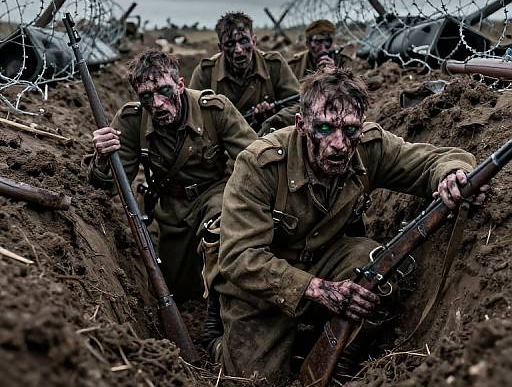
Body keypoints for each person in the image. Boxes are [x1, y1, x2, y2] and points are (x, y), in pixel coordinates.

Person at [214, 67, 487, 380]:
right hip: (264, 285)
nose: (340, 144)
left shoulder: (369, 147)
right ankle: (219, 341)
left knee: (378, 265)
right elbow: (238, 258)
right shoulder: (259, 165)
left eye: (350, 130)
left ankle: (341, 360)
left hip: (328, 263)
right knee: (254, 379)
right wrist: (317, 289)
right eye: (325, 128)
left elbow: (433, 160)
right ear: (301, 125)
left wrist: (451, 175)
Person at [86, 50, 257, 303]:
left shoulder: (214, 110)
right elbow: (109, 189)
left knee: (221, 233)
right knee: (176, 288)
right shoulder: (132, 120)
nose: (156, 104)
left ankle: (221, 309)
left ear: (180, 85)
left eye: (164, 91)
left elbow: (255, 159)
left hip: (214, 194)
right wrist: (101, 157)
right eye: (146, 96)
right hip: (171, 207)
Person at [189, 11, 300, 129]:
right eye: (230, 44)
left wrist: (273, 117)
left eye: (243, 41)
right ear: (220, 48)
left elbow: (299, 105)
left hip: (268, 139)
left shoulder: (273, 66)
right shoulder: (206, 73)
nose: (238, 50)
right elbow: (192, 115)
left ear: (254, 42)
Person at [259, 19, 352, 135]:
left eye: (328, 41)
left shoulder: (344, 62)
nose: (323, 47)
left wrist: (334, 74)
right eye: (318, 42)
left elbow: (351, 95)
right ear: (308, 43)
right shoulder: (295, 64)